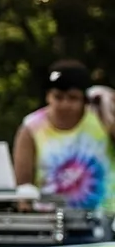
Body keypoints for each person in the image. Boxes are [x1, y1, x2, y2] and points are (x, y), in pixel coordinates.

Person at [12, 60, 115, 212]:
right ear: (48, 97)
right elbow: (23, 184)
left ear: (84, 99)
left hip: (104, 218)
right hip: (50, 220)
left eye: (73, 98)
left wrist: (107, 108)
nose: (65, 104)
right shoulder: (31, 127)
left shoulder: (101, 118)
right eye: (58, 97)